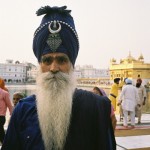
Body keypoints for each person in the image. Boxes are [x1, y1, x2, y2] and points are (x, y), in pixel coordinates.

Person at [1, 6, 116, 150]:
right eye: (47, 61)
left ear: (71, 65)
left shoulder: (97, 108)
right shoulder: (23, 111)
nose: (54, 68)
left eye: (61, 60)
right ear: (40, 65)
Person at [0, 78, 13, 144]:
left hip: (1, 116)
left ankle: (6, 145)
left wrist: (12, 115)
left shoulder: (4, 93)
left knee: (1, 132)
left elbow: (9, 105)